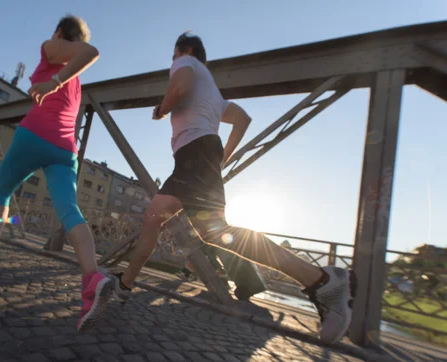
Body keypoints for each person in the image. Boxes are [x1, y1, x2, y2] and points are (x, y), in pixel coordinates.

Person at [110, 32, 356, 344]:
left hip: (195, 153)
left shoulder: (186, 63)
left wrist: (162, 109)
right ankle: (124, 284)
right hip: (195, 156)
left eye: (174, 56)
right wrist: (222, 157)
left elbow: (180, 88)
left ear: (184, 51)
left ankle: (322, 281)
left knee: (210, 230)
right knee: (158, 216)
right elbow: (242, 118)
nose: (173, 62)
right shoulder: (211, 89)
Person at [0, 15, 114, 332]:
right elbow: (87, 54)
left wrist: (52, 81)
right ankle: (92, 278)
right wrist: (61, 79)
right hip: (65, 149)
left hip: (34, 136)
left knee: (0, 191)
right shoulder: (76, 78)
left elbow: (92, 51)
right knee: (69, 209)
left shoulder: (52, 47)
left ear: (60, 33)